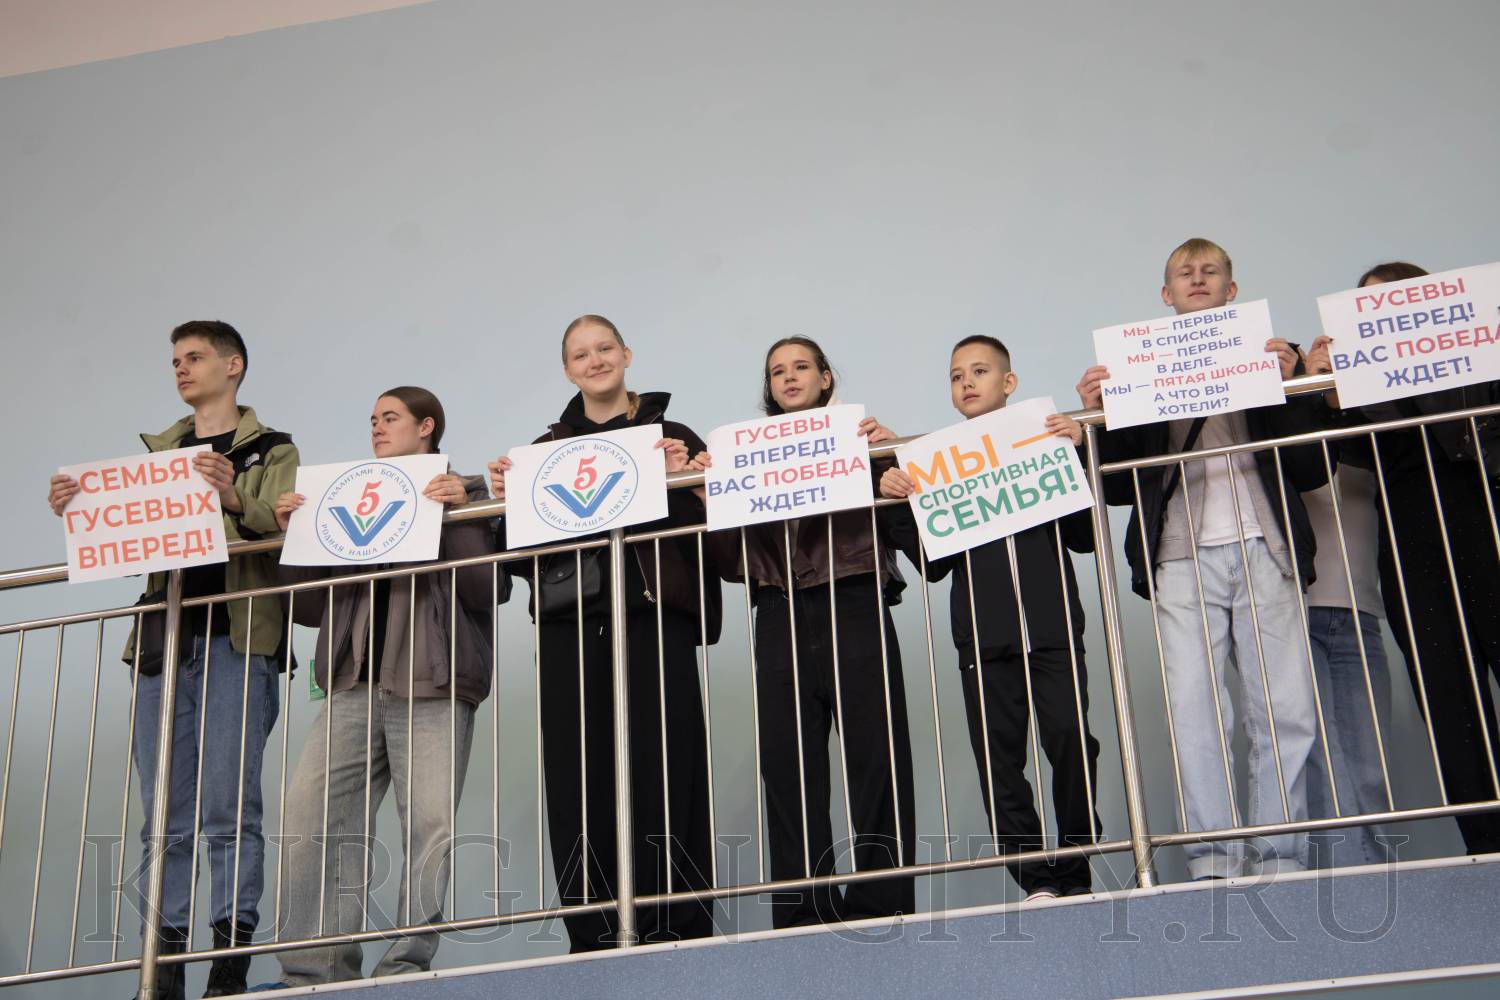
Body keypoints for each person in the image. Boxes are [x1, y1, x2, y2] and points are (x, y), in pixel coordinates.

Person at [48, 320, 298, 999]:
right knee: (164, 813)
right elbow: (127, 537)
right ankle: (163, 967)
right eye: (176, 361)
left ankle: (229, 958)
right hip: (166, 644)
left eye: (195, 357)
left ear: (233, 365)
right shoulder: (159, 453)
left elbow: (285, 527)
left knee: (228, 807)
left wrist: (232, 495)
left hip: (237, 640)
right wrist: (79, 508)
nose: (181, 369)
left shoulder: (273, 448)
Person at [1076, 239, 1326, 880]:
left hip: (1266, 543)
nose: (1197, 279)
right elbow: (1117, 483)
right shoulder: (1140, 367)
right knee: (1195, 711)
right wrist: (1098, 414)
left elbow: (1310, 467)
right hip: (1180, 553)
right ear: (1167, 295)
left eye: (1209, 271)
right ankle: (1213, 856)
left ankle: (1280, 855)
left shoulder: (1270, 355)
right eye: (1184, 274)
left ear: (1230, 289)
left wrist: (1294, 385)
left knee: (1286, 708)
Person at [253, 386, 504, 988]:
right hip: (352, 682)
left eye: (390, 417)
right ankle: (314, 970)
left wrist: (457, 515)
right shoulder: (344, 501)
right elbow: (308, 607)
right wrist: (293, 534)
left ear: (427, 426)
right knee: (311, 815)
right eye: (372, 419)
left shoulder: (468, 491)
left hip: (434, 683)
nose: (377, 428)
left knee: (429, 828)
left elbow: (487, 589)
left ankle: (405, 968)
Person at [487, 314, 718, 950]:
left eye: (605, 348)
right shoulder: (543, 449)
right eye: (581, 354)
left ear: (627, 355)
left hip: (654, 616)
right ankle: (591, 933)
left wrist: (688, 480)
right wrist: (505, 501)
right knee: (578, 776)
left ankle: (677, 925)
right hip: (572, 625)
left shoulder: (671, 435)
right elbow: (516, 557)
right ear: (568, 370)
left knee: (666, 766)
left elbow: (711, 533)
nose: (595, 361)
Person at [693, 335, 916, 928]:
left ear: (825, 377)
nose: (788, 377)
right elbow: (731, 563)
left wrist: (889, 459)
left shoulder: (862, 438)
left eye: (800, 367)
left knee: (876, 755)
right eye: (777, 371)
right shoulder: (746, 455)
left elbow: (908, 527)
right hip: (778, 607)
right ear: (769, 387)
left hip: (854, 595)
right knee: (788, 762)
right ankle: (802, 911)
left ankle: (884, 902)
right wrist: (707, 496)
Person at [881, 335, 1101, 900]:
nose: (967, 383)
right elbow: (934, 564)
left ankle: (1075, 869)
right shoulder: (937, 463)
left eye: (979, 371)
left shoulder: (1043, 438)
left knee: (1072, 742)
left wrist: (1079, 450)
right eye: (956, 376)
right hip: (982, 637)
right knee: (1000, 760)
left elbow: (1083, 536)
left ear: (1009, 383)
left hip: (1053, 629)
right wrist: (899, 503)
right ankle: (1035, 880)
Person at [1308, 261, 1500, 856]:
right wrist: (1326, 389)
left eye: (1394, 301)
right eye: (1369, 309)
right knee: (1445, 689)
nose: (1384, 317)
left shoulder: (1478, 352)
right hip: (1408, 529)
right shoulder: (1360, 381)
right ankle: (1488, 840)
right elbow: (1340, 453)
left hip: (1485, 510)